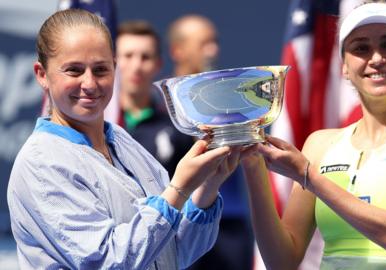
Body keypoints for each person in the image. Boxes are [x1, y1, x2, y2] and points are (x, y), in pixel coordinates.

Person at [7, 9, 244, 269]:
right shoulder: (41, 163)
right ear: (42, 74)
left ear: (114, 69)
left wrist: (207, 186)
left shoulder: (119, 139)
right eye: (74, 71)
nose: (89, 83)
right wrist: (179, 190)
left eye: (100, 70)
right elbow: (107, 262)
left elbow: (172, 253)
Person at [241, 1, 386, 269]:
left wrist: (308, 175)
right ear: (344, 67)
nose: (376, 58)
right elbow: (283, 262)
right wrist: (253, 167)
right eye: (361, 48)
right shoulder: (319, 143)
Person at [168, 15, 254, 270]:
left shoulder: (230, 101)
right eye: (203, 43)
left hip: (229, 226)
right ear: (178, 51)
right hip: (178, 225)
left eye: (214, 42)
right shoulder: (160, 106)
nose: (213, 50)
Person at [116, 20, 192, 178]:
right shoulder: (95, 124)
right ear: (113, 61)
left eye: (145, 57)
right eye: (128, 56)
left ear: (158, 65)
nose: (136, 66)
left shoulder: (177, 128)